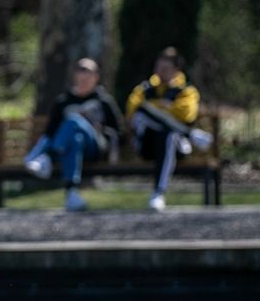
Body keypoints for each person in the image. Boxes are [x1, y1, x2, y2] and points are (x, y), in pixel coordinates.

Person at [23, 58, 124, 212]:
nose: (84, 76)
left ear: (96, 77)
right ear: (75, 76)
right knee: (76, 139)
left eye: (88, 72)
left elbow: (118, 130)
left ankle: (48, 158)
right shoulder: (63, 102)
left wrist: (102, 130)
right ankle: (72, 194)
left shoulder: (103, 101)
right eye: (80, 71)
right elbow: (50, 132)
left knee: (73, 120)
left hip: (96, 147)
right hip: (69, 149)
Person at [124, 47, 209, 212]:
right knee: (143, 113)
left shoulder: (186, 91)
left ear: (176, 70)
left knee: (168, 133)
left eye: (165, 69)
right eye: (158, 68)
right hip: (147, 145)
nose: (159, 73)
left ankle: (158, 192)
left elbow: (187, 114)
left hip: (175, 146)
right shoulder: (144, 89)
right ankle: (191, 135)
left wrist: (155, 108)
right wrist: (164, 108)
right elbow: (132, 109)